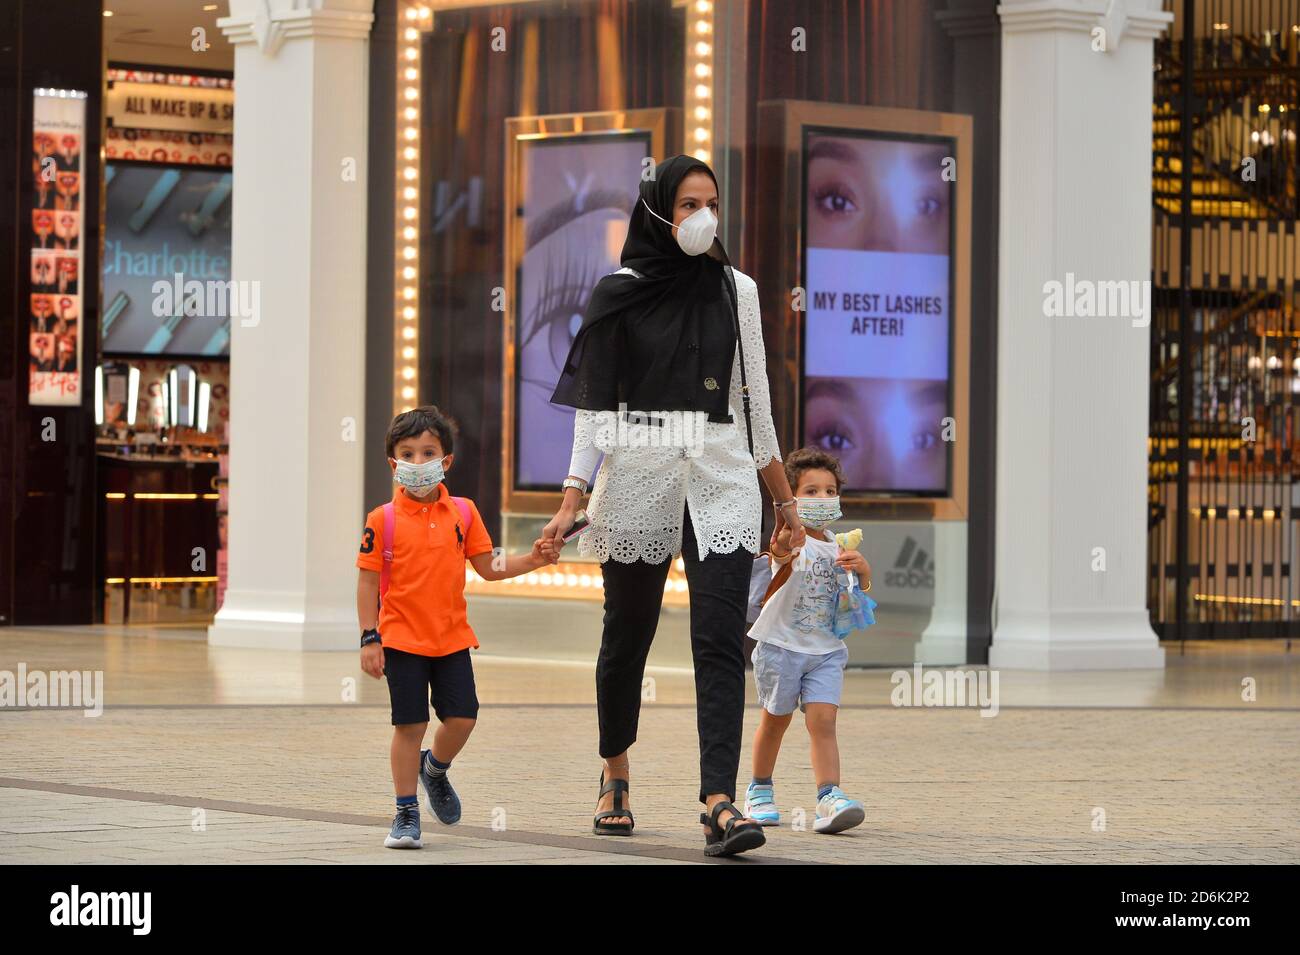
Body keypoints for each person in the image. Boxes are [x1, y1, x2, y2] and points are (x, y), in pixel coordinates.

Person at [542, 154, 806, 857]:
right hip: (638, 474)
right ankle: (615, 771)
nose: (703, 217)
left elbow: (756, 402)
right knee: (628, 632)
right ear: (659, 210)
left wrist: (784, 500)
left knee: (720, 636)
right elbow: (593, 410)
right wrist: (572, 498)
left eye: (711, 203)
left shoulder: (736, 289)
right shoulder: (616, 293)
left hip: (721, 477)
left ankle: (718, 800)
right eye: (688, 204)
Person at [356, 405, 554, 849]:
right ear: (393, 464)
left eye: (428, 452)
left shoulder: (463, 513)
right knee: (409, 726)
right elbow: (368, 582)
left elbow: (488, 565)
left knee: (463, 718)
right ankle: (405, 813)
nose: (417, 461)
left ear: (445, 461)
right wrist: (370, 637)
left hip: (451, 640)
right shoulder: (381, 520)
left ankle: (434, 770)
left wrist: (532, 559)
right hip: (402, 641)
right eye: (407, 453)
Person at [744, 447, 872, 834]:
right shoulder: (791, 539)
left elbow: (855, 595)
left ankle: (829, 797)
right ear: (792, 499)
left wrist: (863, 571)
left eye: (829, 490)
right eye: (811, 491)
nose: (822, 498)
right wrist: (785, 541)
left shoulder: (841, 545)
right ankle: (759, 790)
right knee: (775, 720)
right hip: (781, 647)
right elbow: (779, 554)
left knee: (824, 721)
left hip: (826, 650)